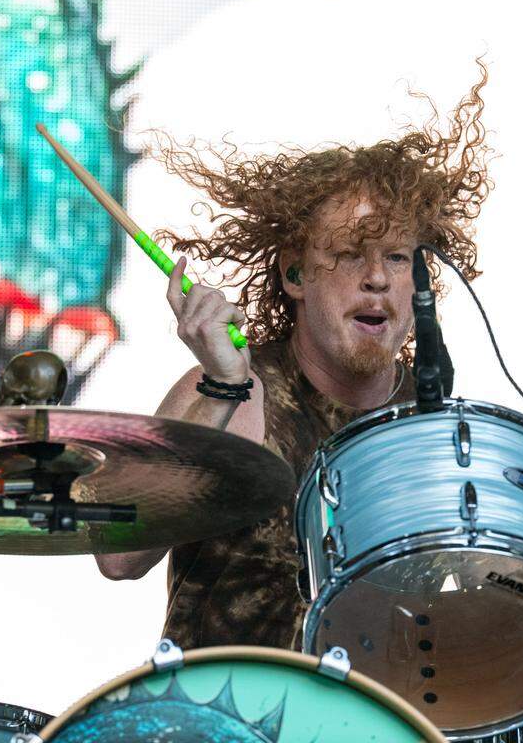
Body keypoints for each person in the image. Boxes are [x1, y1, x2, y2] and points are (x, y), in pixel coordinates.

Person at [96, 66, 492, 650]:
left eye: (398, 258)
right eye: (351, 255)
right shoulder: (239, 392)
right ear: (295, 273)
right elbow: (118, 556)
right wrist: (222, 389)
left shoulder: (433, 420)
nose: (378, 278)